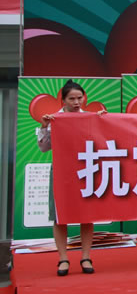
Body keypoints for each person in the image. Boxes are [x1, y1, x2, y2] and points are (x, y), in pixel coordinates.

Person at [37, 80, 105, 276]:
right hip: (61, 171)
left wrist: (103, 121)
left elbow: (103, 140)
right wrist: (44, 127)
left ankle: (86, 256)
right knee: (59, 216)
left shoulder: (91, 117)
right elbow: (44, 148)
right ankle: (63, 258)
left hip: (86, 169)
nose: (76, 102)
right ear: (63, 100)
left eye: (79, 98)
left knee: (87, 214)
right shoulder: (55, 119)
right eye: (72, 99)